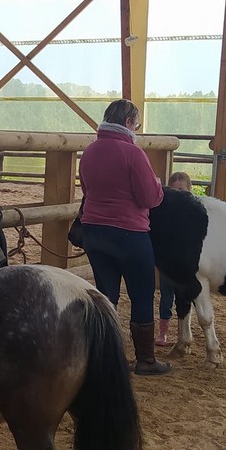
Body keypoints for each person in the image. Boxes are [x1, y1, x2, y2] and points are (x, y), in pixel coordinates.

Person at [77, 99, 171, 376]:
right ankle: (145, 360)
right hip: (130, 233)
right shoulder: (134, 154)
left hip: (94, 231)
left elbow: (86, 189)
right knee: (141, 294)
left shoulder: (90, 152)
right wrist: (157, 186)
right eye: (137, 124)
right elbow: (150, 197)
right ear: (129, 122)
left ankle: (105, 356)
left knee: (106, 294)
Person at [156, 171, 193, 347]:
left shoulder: (195, 213)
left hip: (186, 263)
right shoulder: (165, 214)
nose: (178, 194)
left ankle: (184, 330)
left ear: (189, 190)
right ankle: (163, 331)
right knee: (166, 296)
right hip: (169, 262)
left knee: (188, 296)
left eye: (181, 190)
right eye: (174, 190)